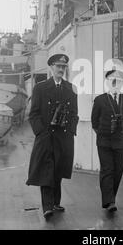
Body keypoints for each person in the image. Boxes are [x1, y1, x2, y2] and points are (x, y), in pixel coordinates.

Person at [26, 53, 79, 220]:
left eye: (63, 67)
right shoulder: (40, 88)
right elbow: (33, 114)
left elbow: (74, 114)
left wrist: (70, 131)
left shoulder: (71, 88)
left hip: (63, 138)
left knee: (58, 171)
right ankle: (47, 207)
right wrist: (41, 132)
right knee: (46, 171)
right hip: (46, 137)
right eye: (58, 66)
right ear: (51, 67)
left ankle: (56, 202)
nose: (61, 70)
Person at [91, 69, 123, 212]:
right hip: (104, 142)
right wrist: (103, 134)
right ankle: (109, 202)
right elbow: (94, 122)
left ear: (122, 83)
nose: (115, 82)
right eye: (112, 79)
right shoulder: (100, 99)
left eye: (119, 80)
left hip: (121, 141)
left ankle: (111, 198)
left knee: (118, 171)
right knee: (107, 170)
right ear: (107, 82)